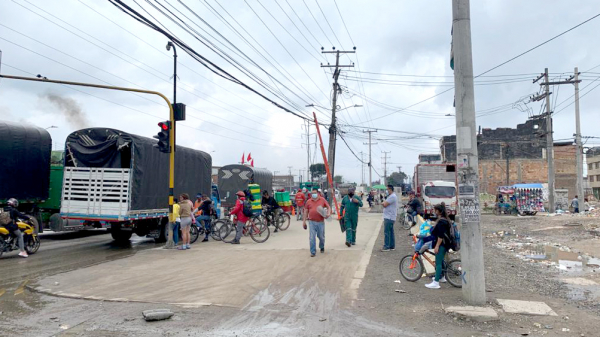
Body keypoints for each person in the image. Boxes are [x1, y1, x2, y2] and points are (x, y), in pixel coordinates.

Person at [426, 203, 452, 289]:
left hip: (442, 244)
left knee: (438, 262)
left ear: (439, 211)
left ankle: (436, 283)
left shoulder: (442, 222)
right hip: (446, 243)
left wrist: (437, 246)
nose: (434, 211)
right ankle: (442, 277)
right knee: (441, 261)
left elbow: (440, 236)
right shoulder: (445, 220)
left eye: (435, 210)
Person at [303, 187, 331, 257]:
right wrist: (304, 221)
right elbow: (306, 211)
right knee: (312, 237)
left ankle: (321, 246)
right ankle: (313, 252)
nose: (313, 194)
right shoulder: (308, 201)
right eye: (312, 193)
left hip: (320, 222)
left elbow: (328, 207)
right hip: (311, 222)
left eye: (314, 193)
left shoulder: (322, 200)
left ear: (318, 193)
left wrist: (328, 213)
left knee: (321, 237)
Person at [381, 184, 398, 252]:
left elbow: (385, 204)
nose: (386, 191)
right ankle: (391, 246)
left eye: (387, 189)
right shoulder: (391, 196)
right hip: (390, 216)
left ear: (390, 189)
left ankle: (387, 246)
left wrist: (383, 203)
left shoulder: (392, 196)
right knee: (390, 232)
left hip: (389, 217)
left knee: (387, 232)